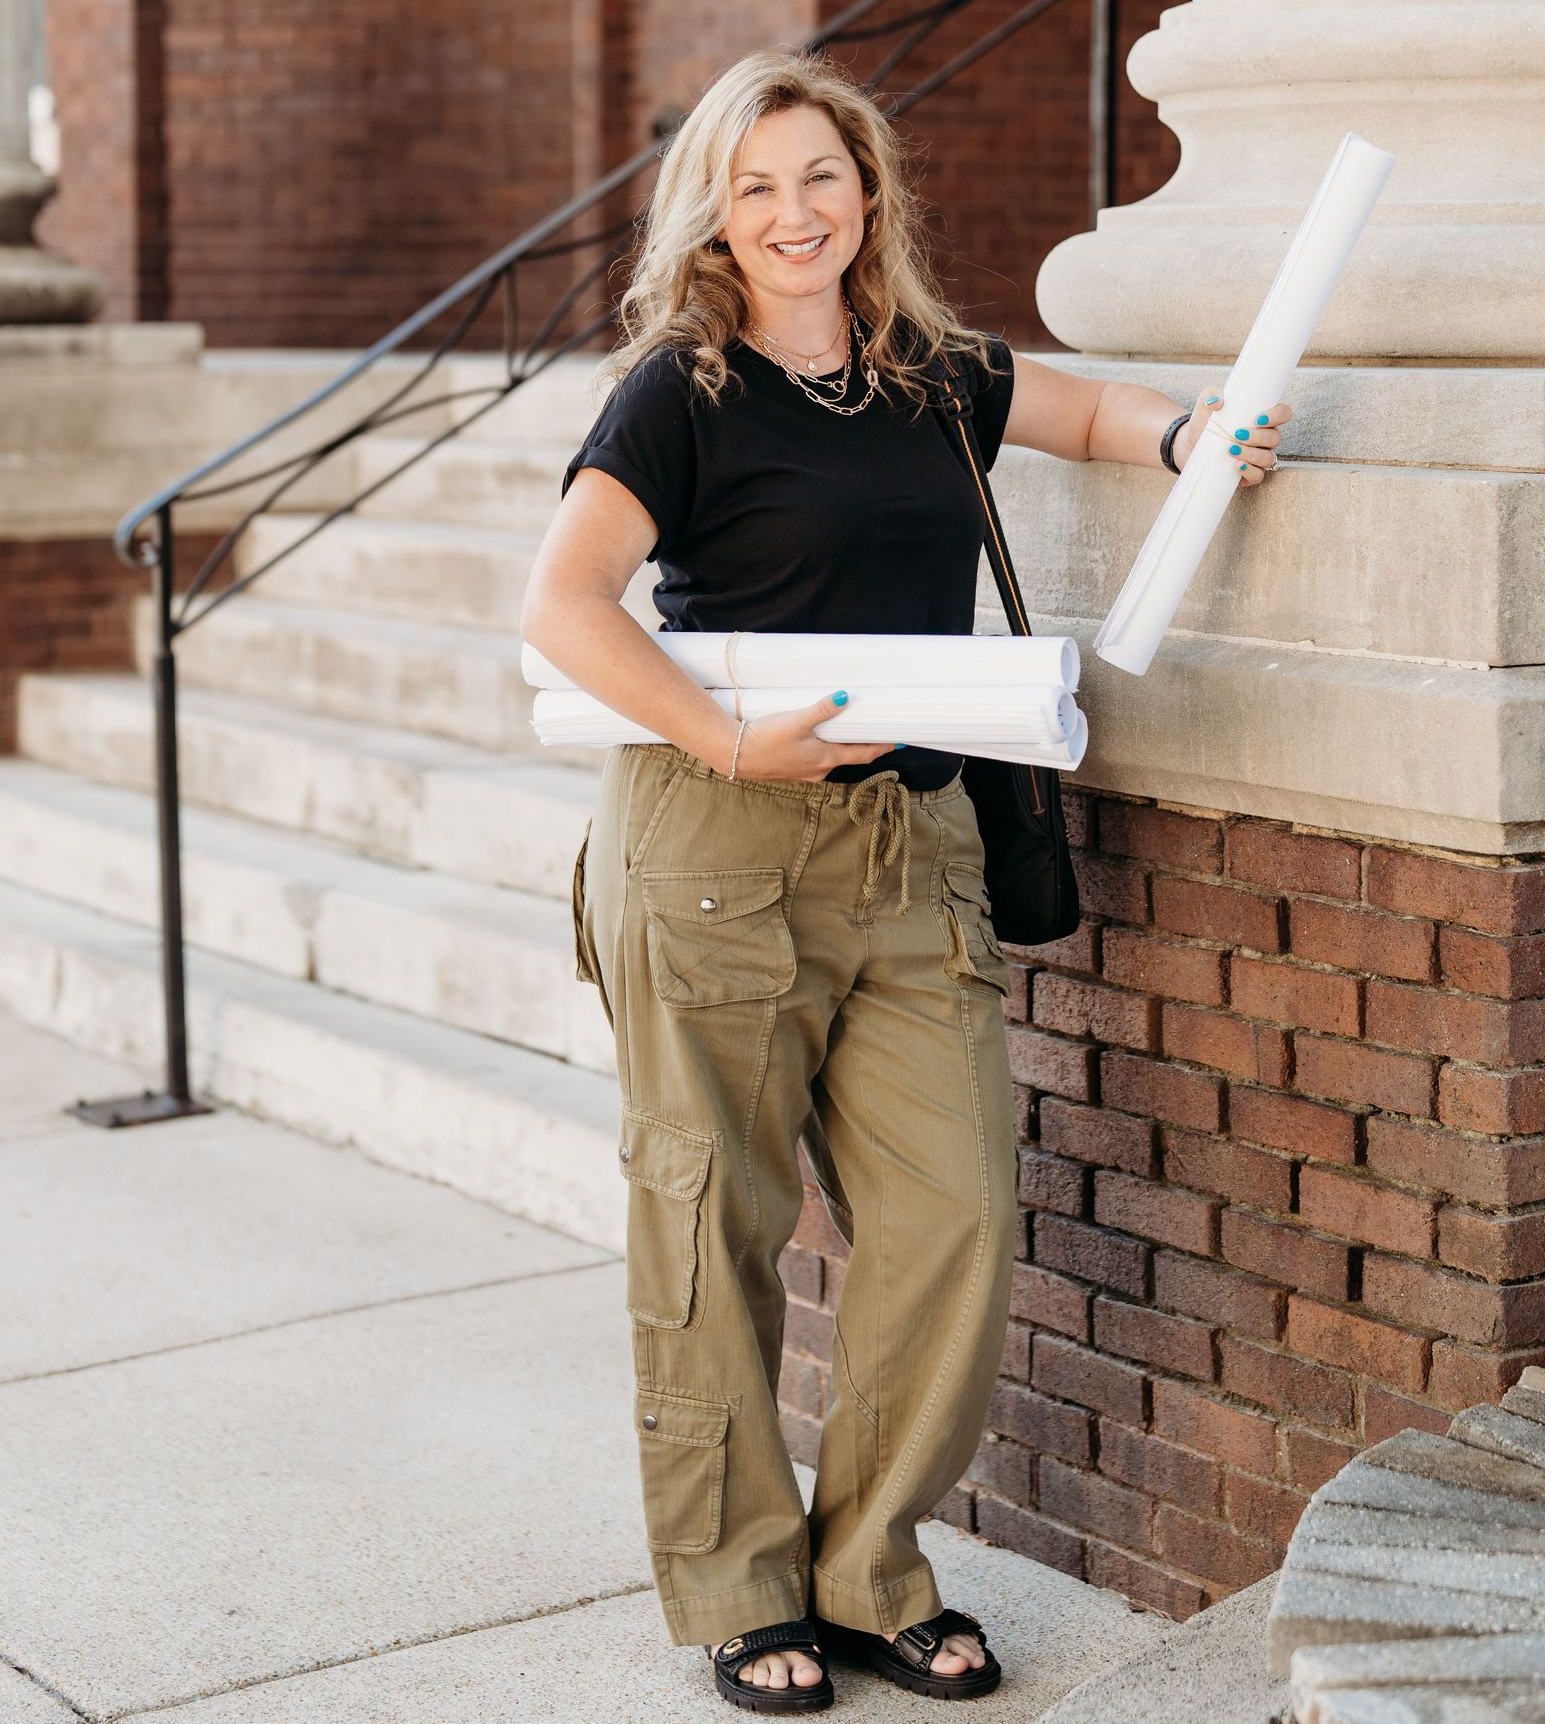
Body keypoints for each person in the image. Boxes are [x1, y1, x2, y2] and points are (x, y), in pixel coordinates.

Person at [520, 46, 1290, 1713]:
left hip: (916, 850)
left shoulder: (931, 373)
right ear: (715, 214)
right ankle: (741, 1587)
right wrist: (731, 746)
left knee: (955, 1215)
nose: (794, 214)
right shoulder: (683, 388)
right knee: (710, 1220)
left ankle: (870, 1567)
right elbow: (566, 606)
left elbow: (1081, 408)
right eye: (756, 186)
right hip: (716, 843)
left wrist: (1196, 434)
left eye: (820, 177)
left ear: (868, 191)